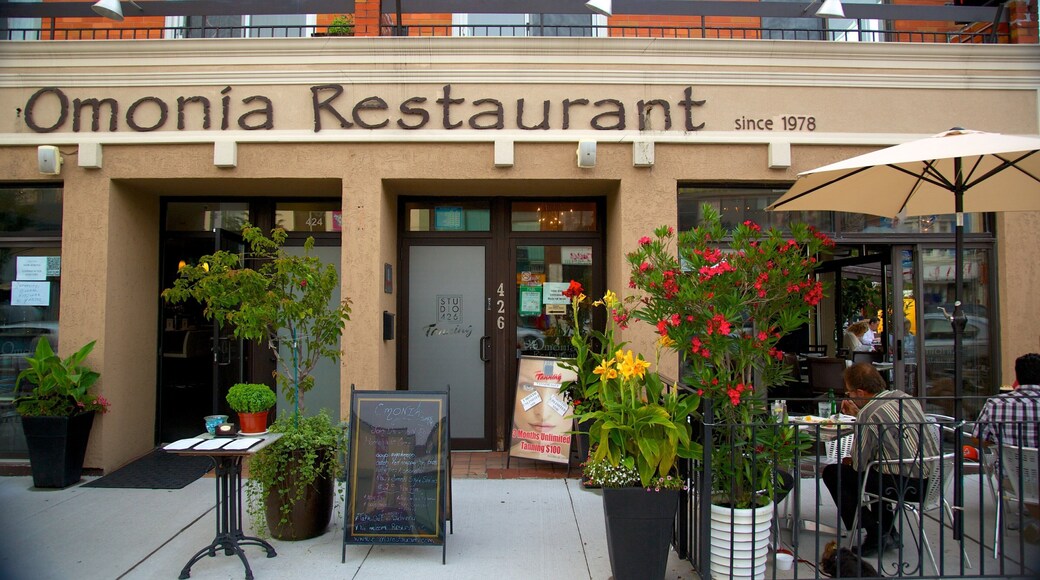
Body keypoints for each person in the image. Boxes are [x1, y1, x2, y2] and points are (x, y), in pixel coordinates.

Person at [822, 363, 939, 557]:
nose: (848, 396)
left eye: (849, 392)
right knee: (875, 471)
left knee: (834, 473)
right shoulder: (905, 398)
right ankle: (888, 531)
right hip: (932, 480)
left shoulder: (869, 414)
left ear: (860, 392)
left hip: (907, 485)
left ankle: (876, 533)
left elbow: (859, 464)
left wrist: (860, 419)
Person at [971, 353, 1040, 541]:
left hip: (1012, 477)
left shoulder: (996, 404)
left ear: (1017, 378)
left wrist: (1000, 442)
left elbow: (978, 439)